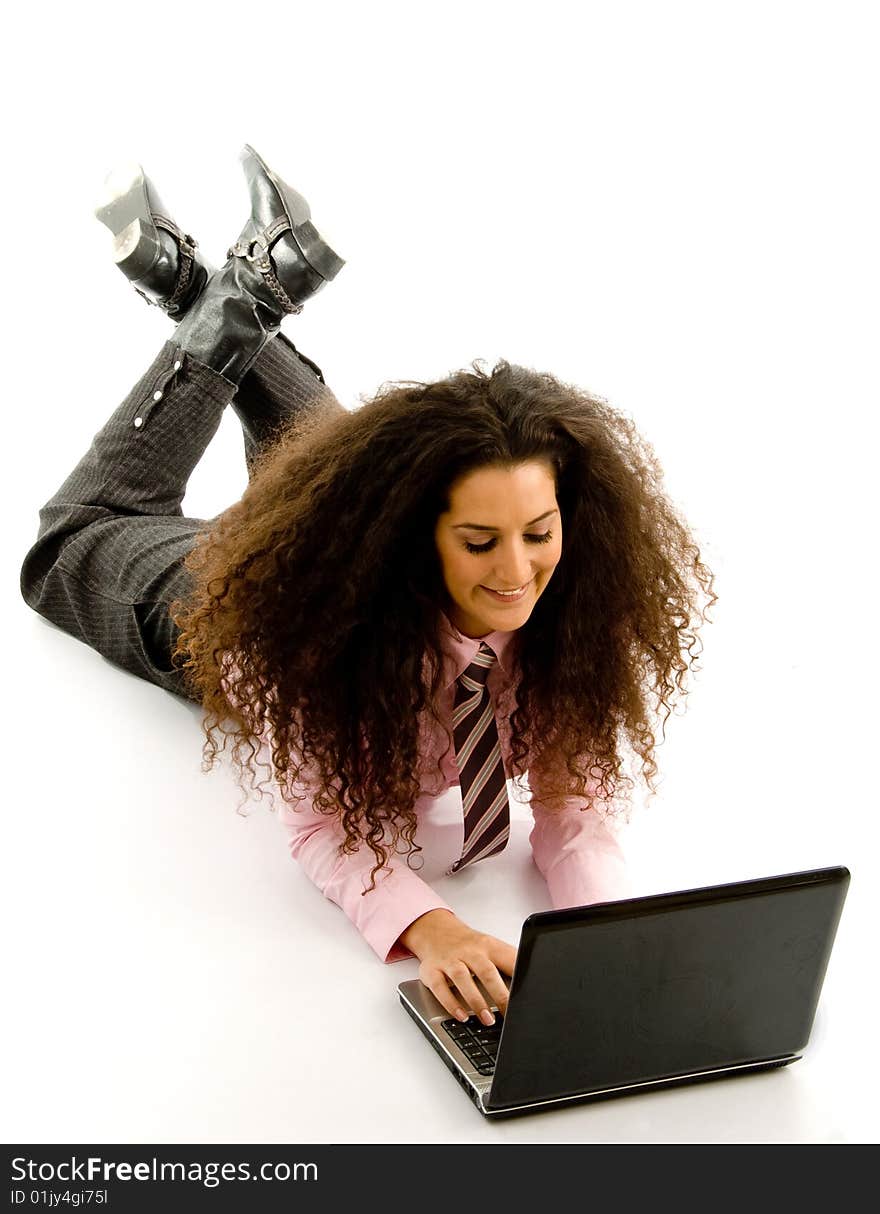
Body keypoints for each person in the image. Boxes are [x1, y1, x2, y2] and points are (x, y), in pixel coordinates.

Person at [20, 145, 716, 1030]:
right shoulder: (313, 639)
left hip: (332, 537)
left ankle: (222, 288)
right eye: (478, 541)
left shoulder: (566, 613)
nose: (515, 574)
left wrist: (615, 930)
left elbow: (577, 806)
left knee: (342, 465)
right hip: (197, 598)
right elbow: (322, 829)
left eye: (538, 534)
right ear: (411, 536)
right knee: (67, 543)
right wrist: (432, 927)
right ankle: (237, 294)